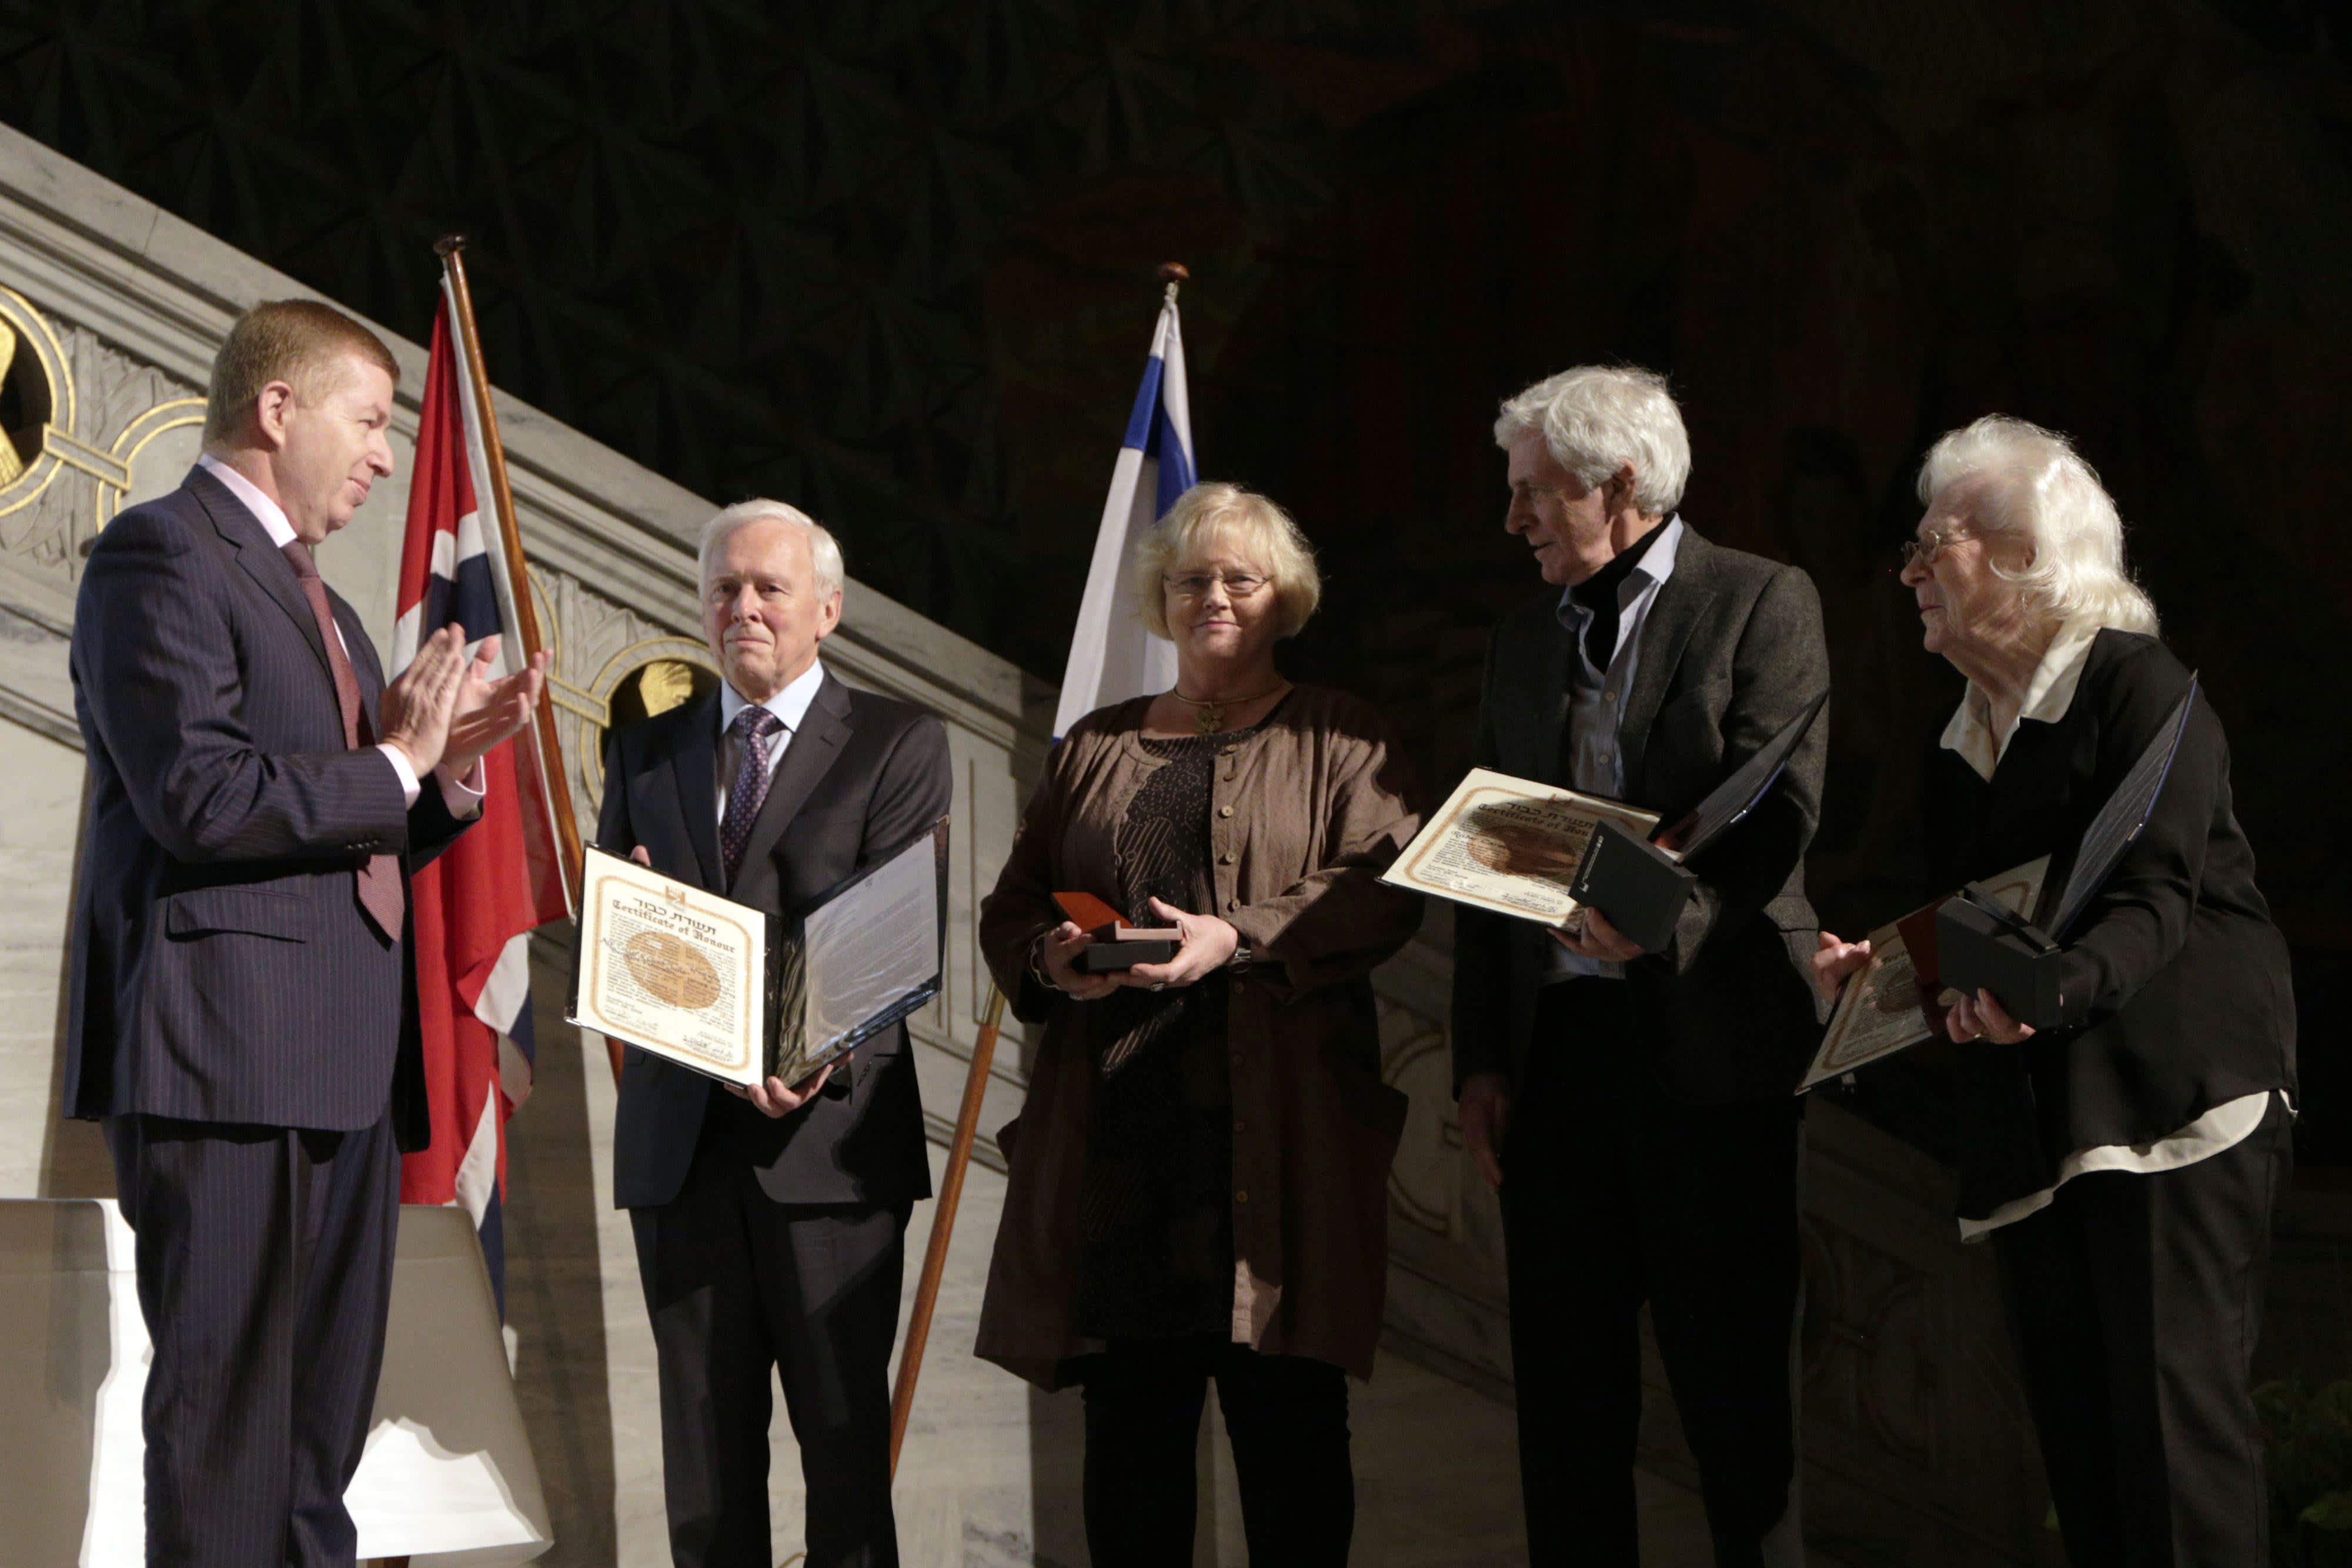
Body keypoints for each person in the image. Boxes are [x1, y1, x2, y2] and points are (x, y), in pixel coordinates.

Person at [65, 298, 547, 1567]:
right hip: (226, 1062)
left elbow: (343, 824)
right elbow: (201, 797)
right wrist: (391, 758)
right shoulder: (159, 552)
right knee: (232, 1428)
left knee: (315, 1448)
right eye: (369, 420)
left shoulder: (329, 616)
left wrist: (441, 779)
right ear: (279, 409)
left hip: (340, 1069)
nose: (386, 456)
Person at [1812, 415, 2294, 1566]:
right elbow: (1978, 926)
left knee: (2176, 1451)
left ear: (2024, 557)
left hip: (2164, 1097)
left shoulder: (2136, 682)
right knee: (2084, 1465)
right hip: (2038, 1119)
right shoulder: (1953, 739)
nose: (1908, 568)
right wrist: (1886, 980)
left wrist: (2043, 990)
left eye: (1935, 542)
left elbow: (2151, 895)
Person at [975, 482, 1422, 1567]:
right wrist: (1055, 956)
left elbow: (1383, 885)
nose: (1212, 597)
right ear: (1159, 601)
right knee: (1130, 1452)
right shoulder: (1094, 743)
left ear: (1286, 599)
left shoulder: (1344, 735)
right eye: (1190, 580)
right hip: (1121, 1152)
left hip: (1277, 1153)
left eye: (1240, 578)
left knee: (1292, 1449)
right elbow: (1014, 904)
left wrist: (1242, 936)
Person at [1452, 366, 1829, 1567]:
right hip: (1560, 1064)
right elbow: (1484, 841)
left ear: (1619, 484)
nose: (1511, 520)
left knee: (1735, 1411)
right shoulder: (1519, 637)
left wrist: (1651, 924)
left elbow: (1777, 815)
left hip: (1712, 1056)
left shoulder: (1758, 599)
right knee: (1566, 1413)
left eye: (1532, 494)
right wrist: (1478, 1056)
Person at [597, 499, 950, 1568]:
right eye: (723, 588)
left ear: (827, 609)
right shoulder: (644, 749)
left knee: (844, 1469)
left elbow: (889, 925)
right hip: (683, 1155)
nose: (742, 606)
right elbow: (623, 932)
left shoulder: (898, 741)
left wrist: (785, 1054)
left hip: (828, 1155)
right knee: (706, 1481)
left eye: (769, 587)